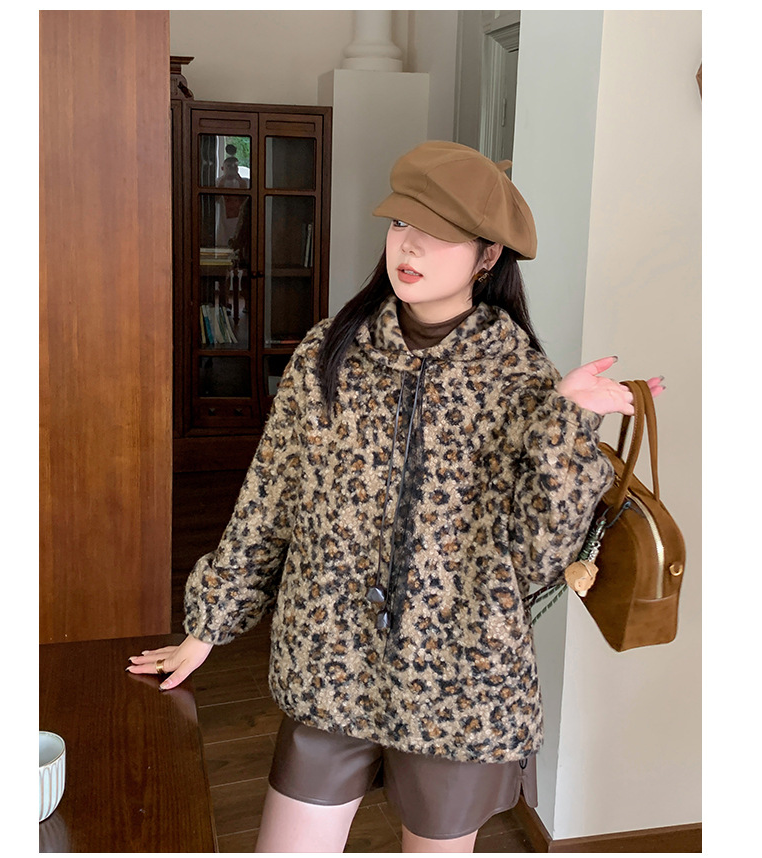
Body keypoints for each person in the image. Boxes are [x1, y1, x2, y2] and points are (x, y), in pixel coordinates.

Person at [127, 141, 664, 853]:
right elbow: (268, 500)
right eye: (402, 222)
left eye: (439, 231)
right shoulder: (328, 356)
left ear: (488, 257)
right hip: (329, 664)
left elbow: (536, 560)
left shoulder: (524, 383)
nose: (409, 245)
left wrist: (565, 425)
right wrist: (207, 627)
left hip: (461, 688)